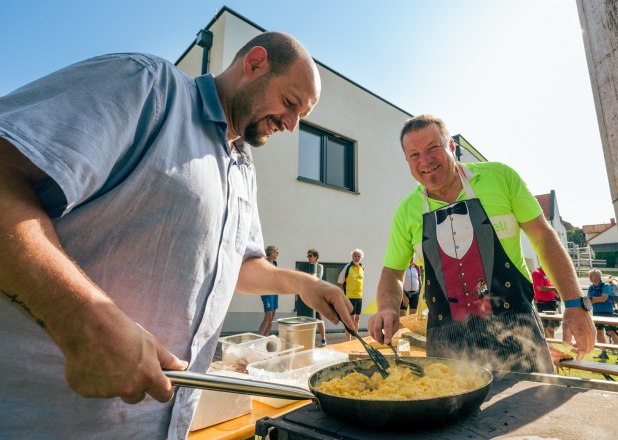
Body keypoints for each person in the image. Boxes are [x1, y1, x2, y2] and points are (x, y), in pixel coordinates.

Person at [0, 32, 355, 438]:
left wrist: (304, 284)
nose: (291, 126)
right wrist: (82, 318)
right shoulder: (147, 86)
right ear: (254, 63)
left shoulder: (243, 167)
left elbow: (240, 266)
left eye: (301, 117)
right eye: (290, 104)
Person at [368, 115, 595, 373]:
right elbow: (392, 272)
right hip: (446, 344)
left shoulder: (500, 178)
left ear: (452, 147)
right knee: (452, 411)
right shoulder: (406, 211)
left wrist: (576, 304)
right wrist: (387, 308)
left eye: (434, 148)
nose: (425, 160)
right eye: (414, 154)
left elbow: (543, 238)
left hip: (517, 331)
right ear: (407, 161)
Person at [587, 269, 618, 364]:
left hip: (607, 312)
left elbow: (603, 299)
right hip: (596, 312)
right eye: (589, 275)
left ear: (598, 277)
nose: (590, 277)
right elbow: (588, 301)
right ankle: (604, 352)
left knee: (612, 333)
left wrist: (592, 299)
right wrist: (595, 299)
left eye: (592, 275)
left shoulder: (606, 286)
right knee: (599, 332)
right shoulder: (591, 287)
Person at [295, 248, 328, 346]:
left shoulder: (319, 266)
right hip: (306, 296)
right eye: (308, 256)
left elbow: (317, 279)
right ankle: (304, 341)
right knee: (305, 318)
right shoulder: (304, 267)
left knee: (318, 318)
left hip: (316, 297)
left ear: (315, 257)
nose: (308, 258)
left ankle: (323, 339)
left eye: (310, 256)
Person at [338, 249, 365, 340]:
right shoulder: (347, 267)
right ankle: (348, 340)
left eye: (358, 256)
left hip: (359, 297)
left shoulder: (362, 268)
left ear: (361, 258)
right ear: (352, 256)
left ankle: (355, 339)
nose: (356, 258)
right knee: (350, 319)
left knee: (357, 318)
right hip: (349, 297)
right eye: (355, 256)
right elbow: (340, 282)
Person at [532, 266, 561, 339]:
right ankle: (549, 346)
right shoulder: (537, 273)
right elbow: (540, 288)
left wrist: (555, 293)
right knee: (547, 328)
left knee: (551, 327)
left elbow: (548, 286)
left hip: (551, 303)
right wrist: (555, 289)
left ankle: (552, 345)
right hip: (544, 304)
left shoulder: (546, 273)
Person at [259, 246, 280, 336]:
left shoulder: (275, 263)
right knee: (268, 316)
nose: (277, 254)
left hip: (275, 291)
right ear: (270, 253)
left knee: (272, 318)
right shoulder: (263, 262)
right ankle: (258, 340)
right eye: (275, 252)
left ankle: (265, 339)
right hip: (266, 291)